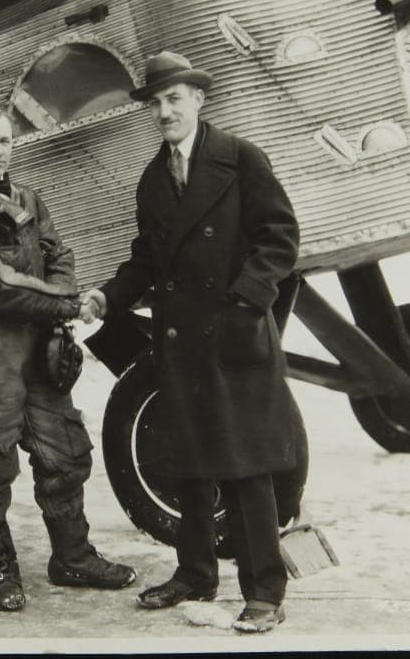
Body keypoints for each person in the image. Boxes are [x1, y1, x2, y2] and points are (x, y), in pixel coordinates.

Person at [79, 52, 302, 633]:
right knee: (191, 464)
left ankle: (264, 590)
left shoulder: (241, 158)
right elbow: (147, 261)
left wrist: (246, 304)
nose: (163, 112)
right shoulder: (153, 180)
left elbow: (279, 238)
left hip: (233, 339)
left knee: (247, 466)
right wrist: (108, 297)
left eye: (173, 99)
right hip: (181, 342)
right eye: (154, 103)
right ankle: (195, 573)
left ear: (198, 100)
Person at [0, 99, 136, 612]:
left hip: (36, 344)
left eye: (6, 140)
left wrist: (61, 298)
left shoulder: (26, 197)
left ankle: (73, 557)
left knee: (65, 451)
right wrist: (63, 302)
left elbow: (59, 252)